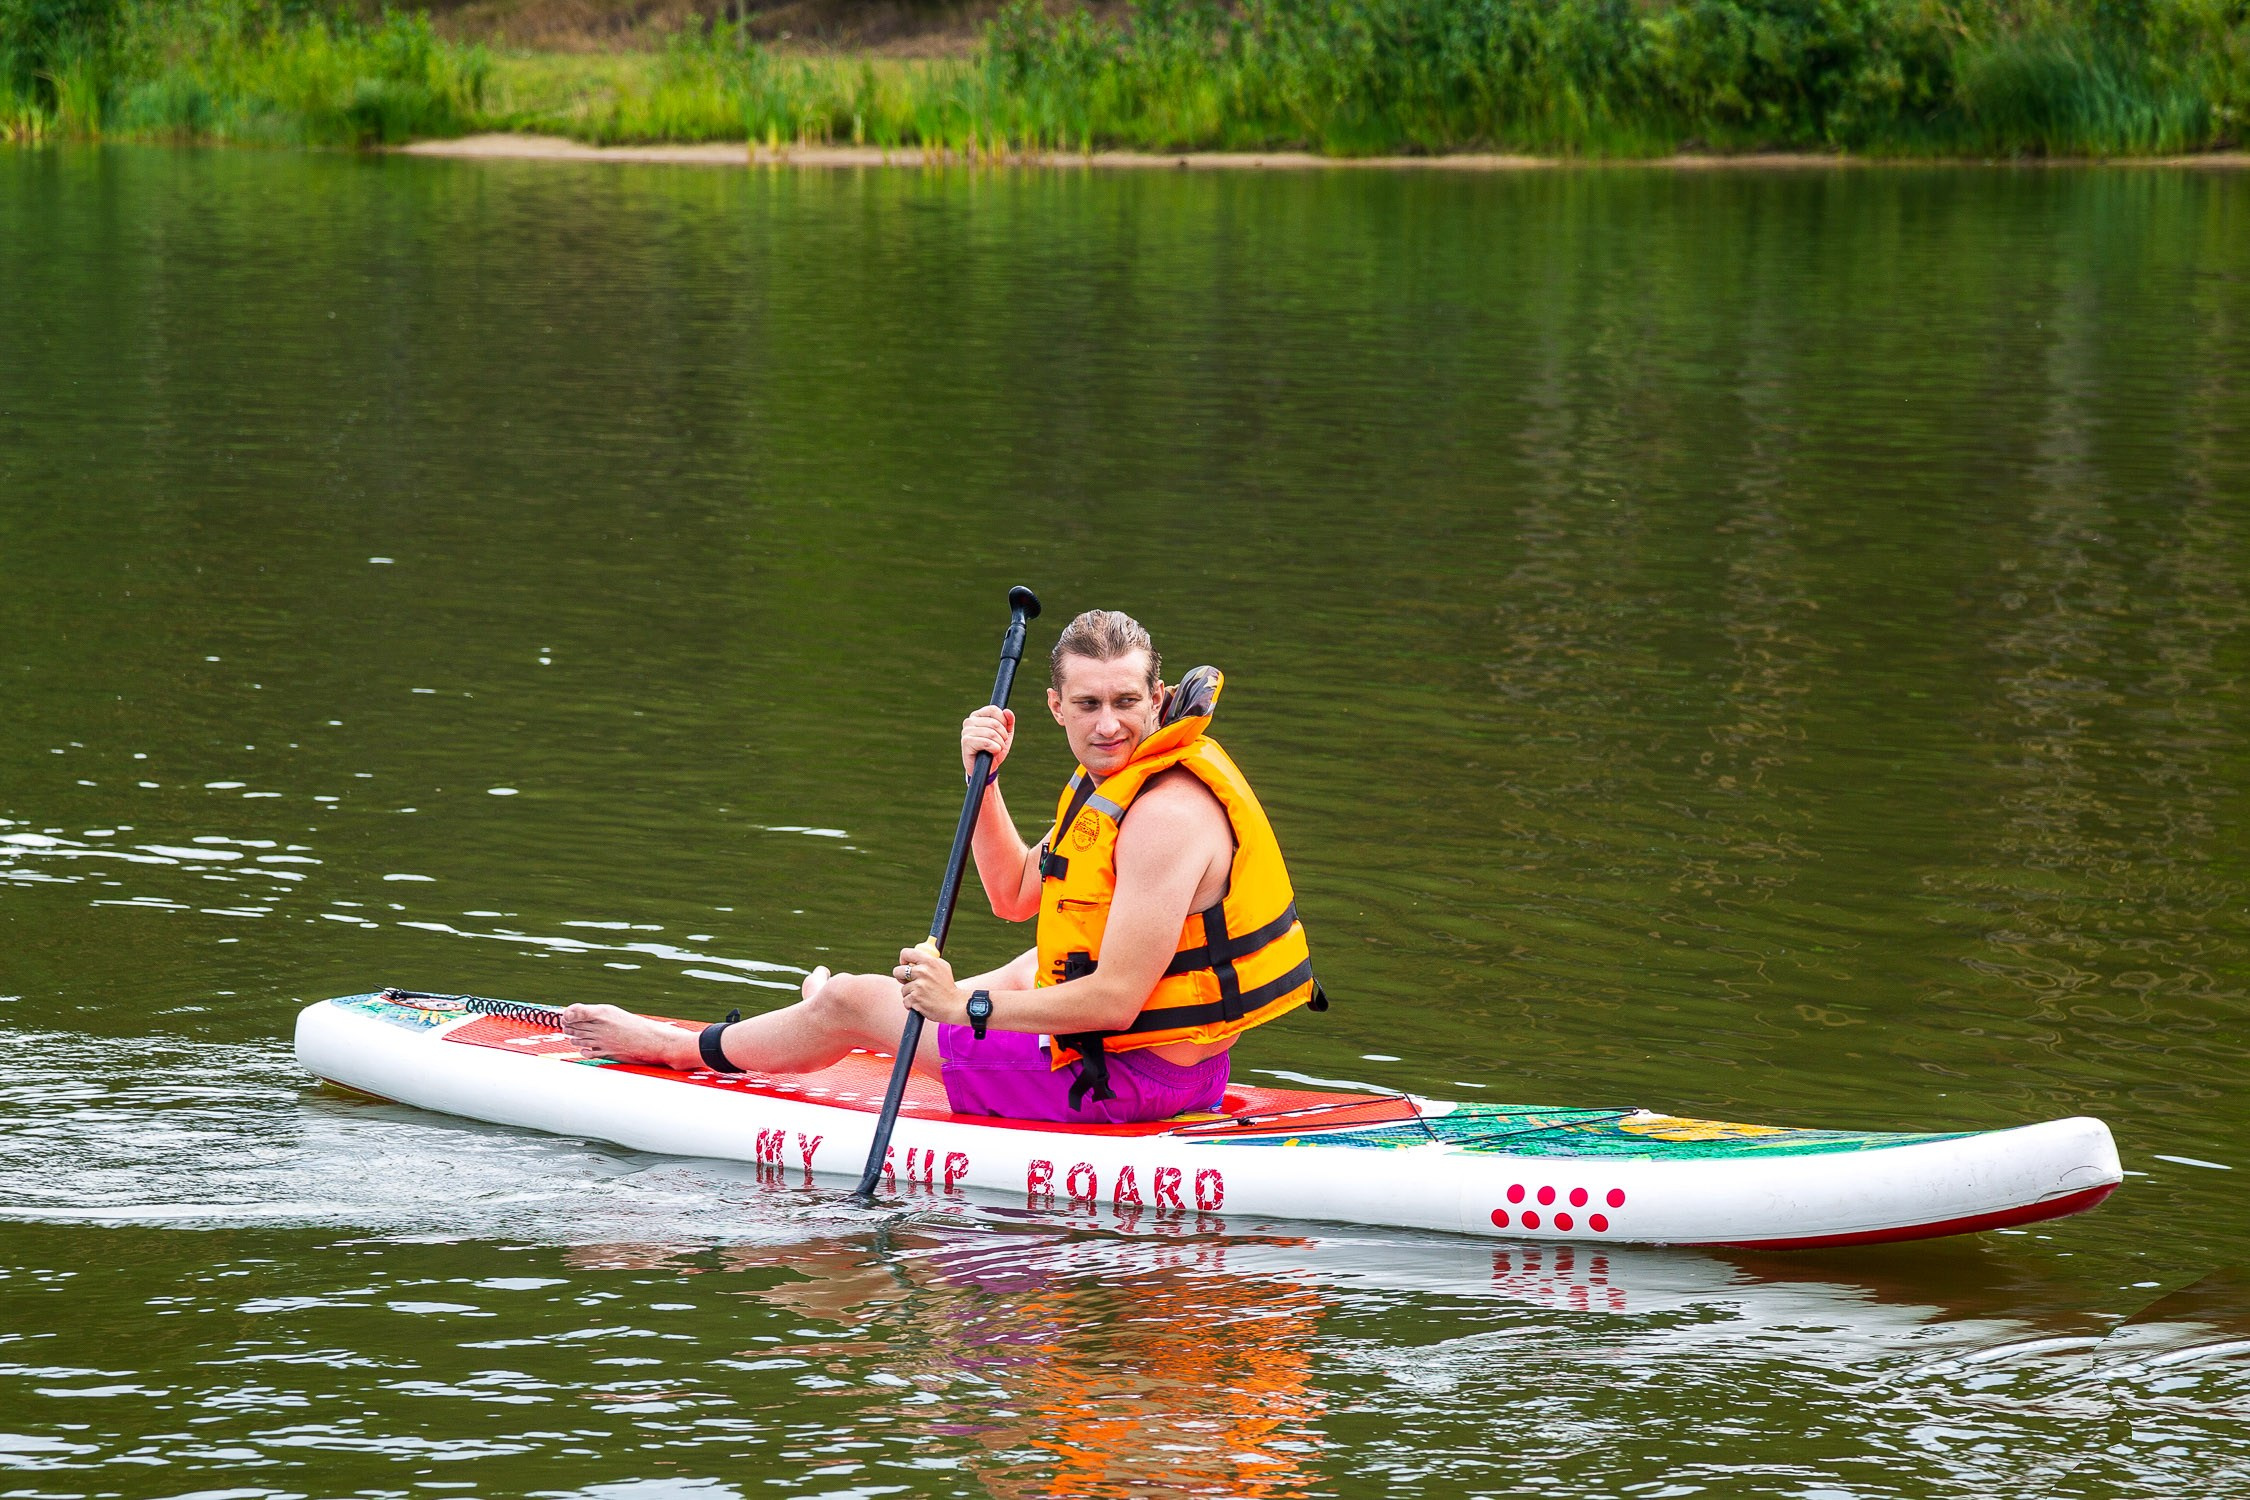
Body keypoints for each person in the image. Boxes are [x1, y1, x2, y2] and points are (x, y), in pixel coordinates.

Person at [560, 608, 1321, 1123]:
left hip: (1116, 1082)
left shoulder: (1164, 816)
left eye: (1126, 701)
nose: (1109, 724)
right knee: (1023, 964)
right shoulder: (1113, 786)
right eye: (1088, 704)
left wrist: (964, 1008)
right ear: (1054, 706)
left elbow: (1116, 1002)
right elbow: (1014, 894)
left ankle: (683, 1045)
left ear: (1157, 698)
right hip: (1154, 1064)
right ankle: (863, 1018)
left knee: (857, 998)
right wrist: (982, 782)